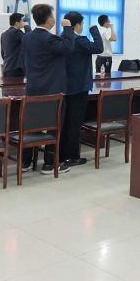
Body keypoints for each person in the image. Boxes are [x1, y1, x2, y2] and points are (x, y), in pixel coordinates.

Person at [20, 4, 75, 174]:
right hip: (52, 91)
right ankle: (50, 164)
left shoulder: (27, 37)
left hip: (33, 88)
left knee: (32, 126)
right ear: (50, 19)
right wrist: (68, 27)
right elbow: (68, 47)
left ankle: (26, 162)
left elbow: (23, 61)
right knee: (54, 126)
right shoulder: (50, 39)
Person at [60, 11, 103, 167]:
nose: (83, 26)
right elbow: (99, 47)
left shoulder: (62, 39)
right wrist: (94, 30)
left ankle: (62, 154)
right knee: (75, 123)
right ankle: (72, 156)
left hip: (64, 87)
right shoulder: (80, 40)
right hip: (78, 88)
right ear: (77, 25)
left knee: (64, 123)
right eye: (82, 24)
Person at [0, 12, 31, 77]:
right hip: (17, 68)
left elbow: (2, 53)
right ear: (17, 23)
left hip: (7, 67)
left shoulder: (3, 34)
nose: (24, 22)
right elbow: (29, 39)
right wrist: (27, 26)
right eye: (22, 21)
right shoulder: (16, 32)